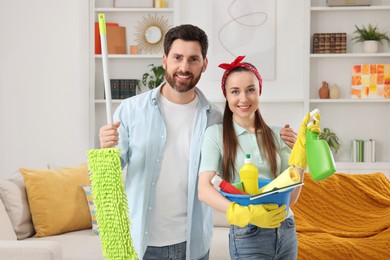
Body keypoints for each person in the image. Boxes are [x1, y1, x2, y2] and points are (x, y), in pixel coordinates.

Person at [99, 25, 297, 260]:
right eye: (177, 58)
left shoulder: (215, 120)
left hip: (193, 244)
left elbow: (248, 165)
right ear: (164, 60)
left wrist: (293, 150)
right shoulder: (131, 110)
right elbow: (110, 172)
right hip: (141, 241)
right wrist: (105, 147)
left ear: (204, 63)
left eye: (193, 59)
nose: (184, 67)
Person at [198, 55, 320, 259]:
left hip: (286, 228)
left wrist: (300, 159)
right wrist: (242, 213)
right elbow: (203, 189)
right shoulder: (215, 135)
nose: (244, 99)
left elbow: (290, 198)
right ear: (226, 96)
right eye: (235, 91)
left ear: (259, 92)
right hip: (248, 232)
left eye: (250, 90)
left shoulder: (278, 135)